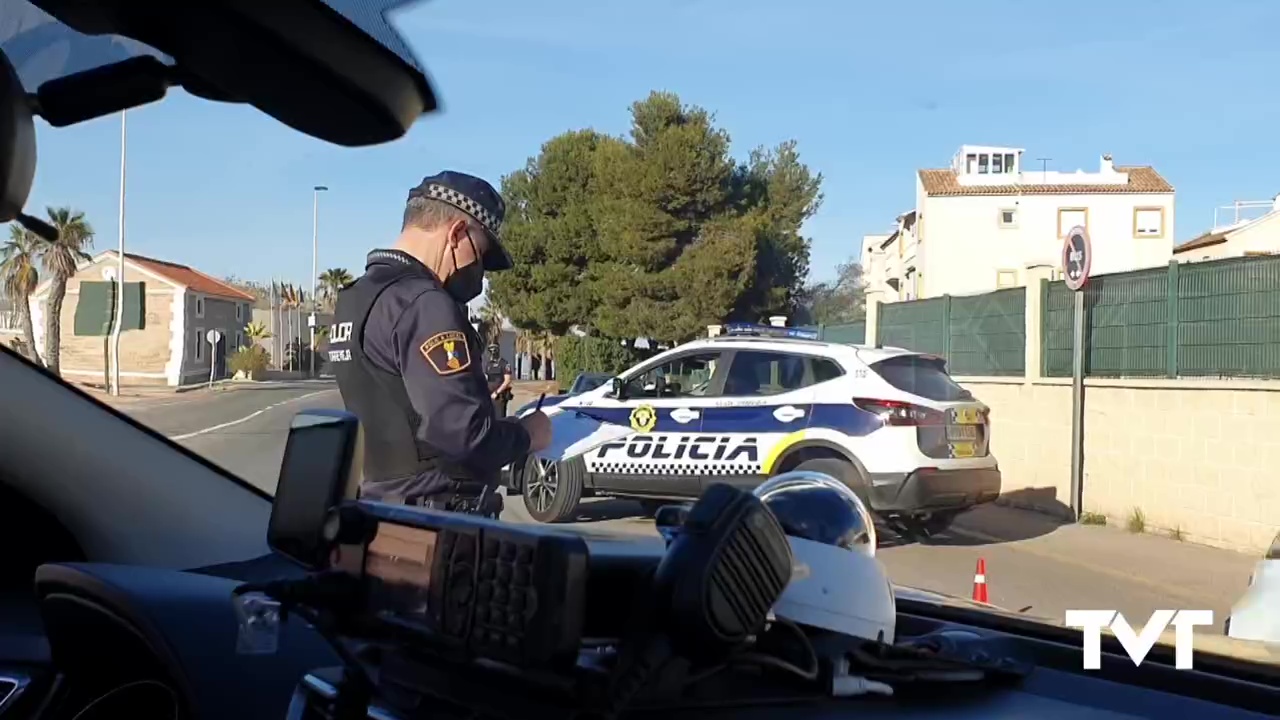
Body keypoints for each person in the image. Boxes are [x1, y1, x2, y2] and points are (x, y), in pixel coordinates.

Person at [327, 170, 553, 517]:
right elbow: (464, 434)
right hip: (438, 525)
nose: (480, 272)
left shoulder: (355, 298)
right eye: (481, 256)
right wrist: (528, 434)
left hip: (379, 510)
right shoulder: (423, 303)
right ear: (458, 233)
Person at [484, 343, 514, 417]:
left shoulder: (504, 363)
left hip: (499, 395)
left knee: (500, 418)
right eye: (491, 351)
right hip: (489, 395)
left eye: (494, 350)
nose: (493, 353)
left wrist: (497, 392)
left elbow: (507, 380)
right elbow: (486, 377)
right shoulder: (488, 364)